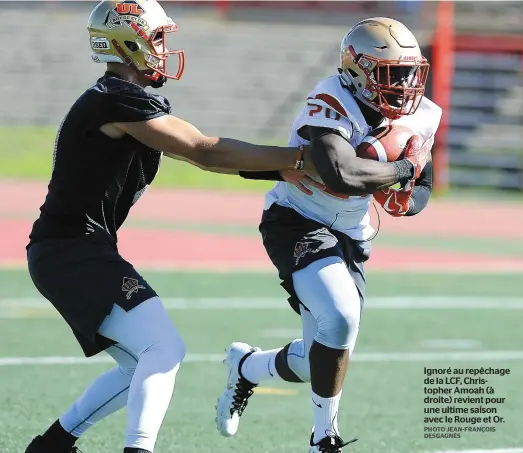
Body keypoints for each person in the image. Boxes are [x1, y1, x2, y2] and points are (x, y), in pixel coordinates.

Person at [24, 1, 428, 450]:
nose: (163, 48)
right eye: (158, 38)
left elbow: (199, 156)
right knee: (163, 350)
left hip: (74, 250)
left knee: (139, 361)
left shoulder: (116, 100)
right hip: (73, 251)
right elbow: (204, 150)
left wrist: (282, 167)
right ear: (126, 42)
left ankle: (52, 445)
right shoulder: (117, 98)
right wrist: (295, 158)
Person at [215, 17, 441, 453]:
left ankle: (245, 366)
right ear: (358, 71)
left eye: (411, 72)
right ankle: (325, 437)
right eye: (393, 73)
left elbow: (424, 184)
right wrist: (400, 170)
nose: (406, 84)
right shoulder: (331, 100)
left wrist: (406, 200)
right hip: (298, 218)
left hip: (353, 233)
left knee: (318, 355)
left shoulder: (422, 114)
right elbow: (341, 174)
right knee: (340, 316)